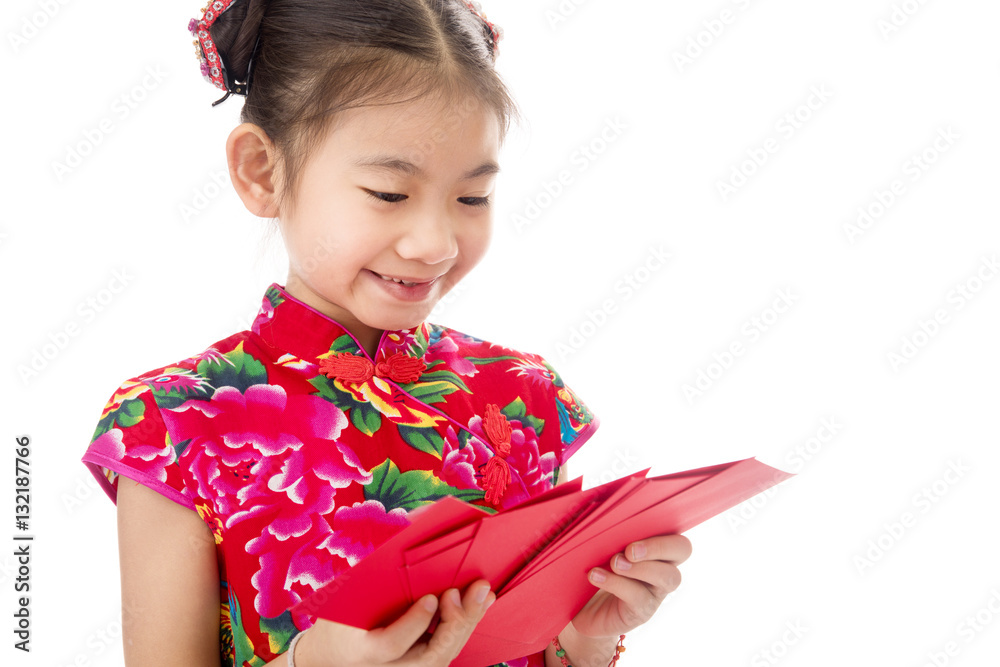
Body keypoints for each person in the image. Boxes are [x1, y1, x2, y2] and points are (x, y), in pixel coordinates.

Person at [81, 1, 692, 666]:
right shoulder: (169, 422)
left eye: (471, 198)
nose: (435, 244)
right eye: (389, 193)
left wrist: (589, 635)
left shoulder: (525, 396)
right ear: (262, 170)